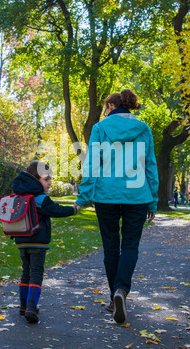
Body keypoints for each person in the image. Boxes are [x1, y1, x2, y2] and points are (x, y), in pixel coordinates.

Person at [74, 89, 159, 324]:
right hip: (138, 195)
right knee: (130, 246)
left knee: (111, 248)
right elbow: (150, 165)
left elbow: (92, 163)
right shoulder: (144, 129)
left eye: (105, 107)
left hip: (106, 196)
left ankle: (114, 297)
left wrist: (83, 197)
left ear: (111, 106)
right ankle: (121, 290)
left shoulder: (100, 128)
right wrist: (153, 198)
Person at [12, 160, 80, 323]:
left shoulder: (19, 196)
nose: (50, 182)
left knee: (26, 272)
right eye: (46, 179)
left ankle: (23, 306)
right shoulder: (41, 199)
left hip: (22, 240)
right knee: (36, 273)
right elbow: (57, 210)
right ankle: (31, 307)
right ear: (36, 179)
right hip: (38, 242)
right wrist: (74, 209)